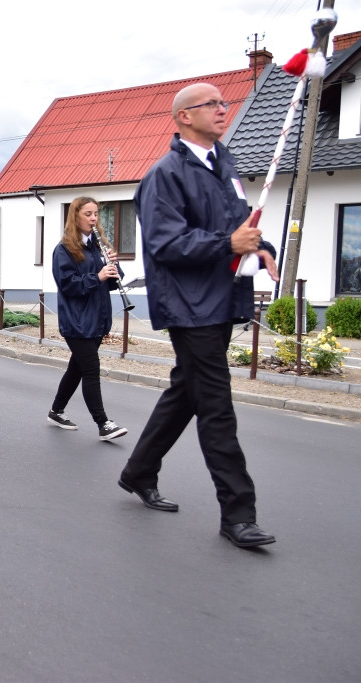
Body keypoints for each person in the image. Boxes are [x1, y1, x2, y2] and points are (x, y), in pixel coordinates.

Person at [118, 82, 279, 549]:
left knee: (186, 392)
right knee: (216, 406)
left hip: (222, 297)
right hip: (190, 306)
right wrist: (228, 244)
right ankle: (238, 514)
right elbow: (165, 245)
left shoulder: (224, 166)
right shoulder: (164, 175)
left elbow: (236, 228)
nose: (223, 110)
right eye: (212, 104)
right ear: (184, 116)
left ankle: (138, 471)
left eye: (224, 103)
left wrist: (260, 246)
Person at [45, 198, 128, 440]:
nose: (93, 219)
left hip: (97, 318)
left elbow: (111, 283)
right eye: (88, 214)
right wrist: (98, 276)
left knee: (77, 369)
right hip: (76, 321)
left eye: (95, 214)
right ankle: (103, 423)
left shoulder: (97, 246)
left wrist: (114, 267)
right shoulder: (64, 250)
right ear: (76, 217)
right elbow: (68, 285)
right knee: (91, 369)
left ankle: (56, 411)